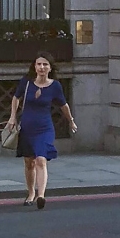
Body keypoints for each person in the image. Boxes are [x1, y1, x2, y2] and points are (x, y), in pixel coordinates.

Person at [6, 54, 76, 209]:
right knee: (29, 162)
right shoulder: (27, 82)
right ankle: (31, 192)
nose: (42, 67)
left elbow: (63, 105)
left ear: (50, 68)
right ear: (35, 66)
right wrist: (12, 117)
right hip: (27, 128)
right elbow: (16, 98)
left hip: (45, 128)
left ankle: (41, 195)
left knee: (41, 159)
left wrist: (71, 120)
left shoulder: (55, 86)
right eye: (39, 64)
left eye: (45, 64)